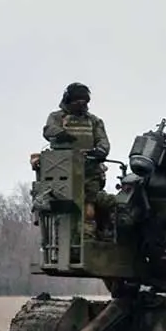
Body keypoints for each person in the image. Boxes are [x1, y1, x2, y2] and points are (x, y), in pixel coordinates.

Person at [41, 82, 114, 236]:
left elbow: (103, 142)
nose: (81, 106)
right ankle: (69, 242)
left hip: (90, 172)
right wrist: (61, 135)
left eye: (85, 102)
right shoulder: (57, 117)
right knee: (65, 215)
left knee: (89, 208)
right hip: (64, 172)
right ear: (69, 100)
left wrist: (99, 152)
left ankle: (87, 238)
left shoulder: (94, 121)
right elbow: (48, 130)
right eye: (78, 102)